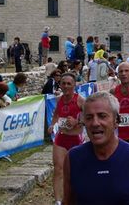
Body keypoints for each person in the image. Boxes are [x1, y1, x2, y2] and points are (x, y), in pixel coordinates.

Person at [47, 73, 85, 205]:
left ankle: (77, 197)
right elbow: (56, 114)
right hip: (61, 138)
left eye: (69, 83)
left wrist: (77, 121)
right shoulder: (58, 99)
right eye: (63, 83)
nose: (66, 86)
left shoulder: (80, 100)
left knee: (76, 171)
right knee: (58, 169)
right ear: (60, 85)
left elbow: (89, 117)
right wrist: (52, 124)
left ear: (74, 85)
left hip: (76, 139)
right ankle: (58, 201)